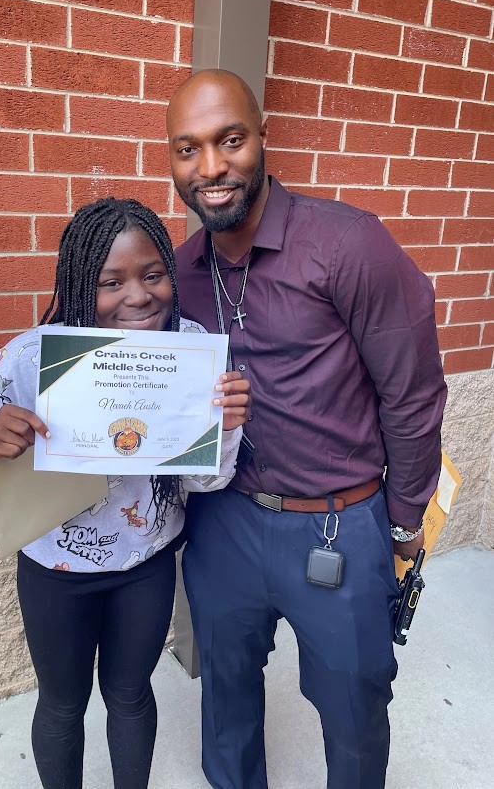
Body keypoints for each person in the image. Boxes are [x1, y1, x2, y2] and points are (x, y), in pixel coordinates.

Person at [167, 70, 447, 789]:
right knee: (225, 693)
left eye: (228, 140)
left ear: (262, 137)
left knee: (353, 707)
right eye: (186, 149)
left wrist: (404, 519)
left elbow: (411, 394)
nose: (210, 167)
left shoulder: (348, 245)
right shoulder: (183, 270)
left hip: (338, 524)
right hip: (222, 520)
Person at [0, 197, 251, 789]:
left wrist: (226, 429)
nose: (137, 296)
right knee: (62, 705)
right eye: (110, 282)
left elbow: (206, 479)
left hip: (145, 561)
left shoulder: (190, 351)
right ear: (80, 286)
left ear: (171, 271)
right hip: (54, 568)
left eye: (152, 274)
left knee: (131, 695)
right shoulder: (30, 357)